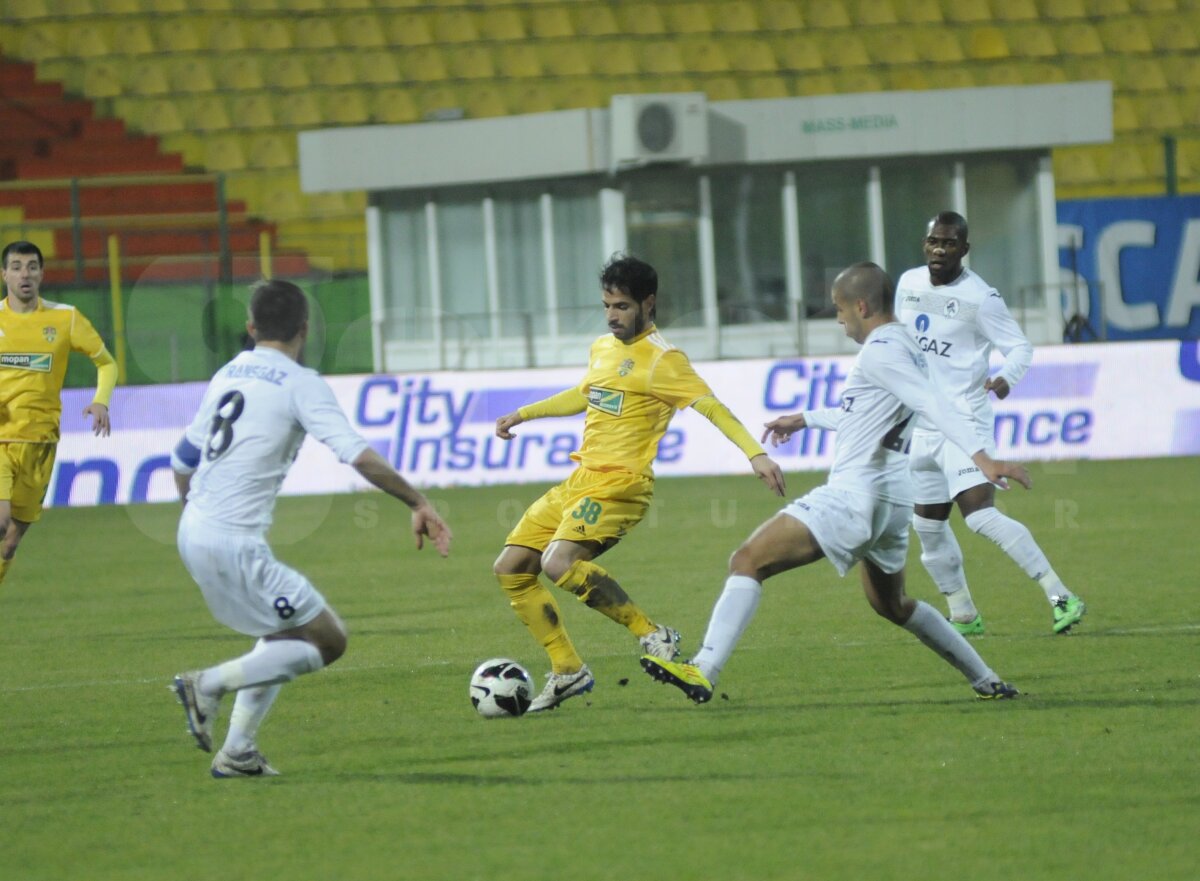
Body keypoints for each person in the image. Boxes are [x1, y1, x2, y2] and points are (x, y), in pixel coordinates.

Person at [642, 262, 1029, 704]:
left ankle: (703, 669)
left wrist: (982, 458)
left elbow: (930, 404)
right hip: (892, 502)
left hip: (855, 495)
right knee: (893, 604)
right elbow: (867, 411)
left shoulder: (881, 351)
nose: (838, 319)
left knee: (747, 561)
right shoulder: (908, 345)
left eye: (839, 309)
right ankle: (986, 679)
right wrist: (805, 419)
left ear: (861, 306)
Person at [170, 279, 451, 778]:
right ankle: (207, 684)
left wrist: (197, 516)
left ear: (251, 327)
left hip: (193, 529)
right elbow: (357, 455)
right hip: (232, 540)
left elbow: (182, 458)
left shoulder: (228, 373)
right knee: (327, 639)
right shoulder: (301, 383)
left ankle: (237, 752)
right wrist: (418, 501)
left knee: (282, 633)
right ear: (305, 329)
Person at [493, 253, 787, 712]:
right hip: (581, 479)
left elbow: (712, 407)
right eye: (607, 305)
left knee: (558, 562)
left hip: (622, 486)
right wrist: (524, 414)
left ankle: (653, 635)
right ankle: (568, 670)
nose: (612, 315)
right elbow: (586, 394)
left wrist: (755, 453)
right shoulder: (602, 348)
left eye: (622, 306)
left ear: (648, 303)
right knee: (511, 567)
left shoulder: (664, 360)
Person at [895, 212, 1085, 635]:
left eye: (949, 243)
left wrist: (1005, 378)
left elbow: (1020, 347)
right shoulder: (908, 284)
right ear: (924, 244)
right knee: (927, 526)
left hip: (964, 423)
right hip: (920, 427)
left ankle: (1061, 597)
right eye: (933, 241)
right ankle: (963, 613)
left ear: (964, 249)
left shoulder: (981, 298)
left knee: (980, 517)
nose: (939, 249)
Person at [0, 240, 115, 586]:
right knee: (0, 521)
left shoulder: (66, 318)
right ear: (4, 274)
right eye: (17, 267)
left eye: (31, 267)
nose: (25, 274)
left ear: (41, 274)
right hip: (1, 439)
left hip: (41, 443)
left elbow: (106, 363)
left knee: (10, 543)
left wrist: (101, 400)